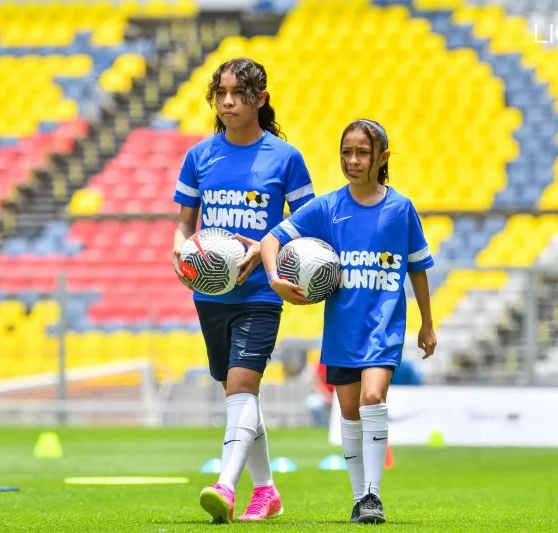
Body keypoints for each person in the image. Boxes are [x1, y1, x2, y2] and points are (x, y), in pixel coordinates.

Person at [260, 119, 437, 524]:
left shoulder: (400, 209)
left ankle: (373, 495)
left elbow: (418, 268)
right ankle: (360, 499)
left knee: (373, 398)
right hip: (341, 331)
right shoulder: (327, 207)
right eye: (346, 152)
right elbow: (272, 239)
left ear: (383, 158)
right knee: (349, 414)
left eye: (361, 152)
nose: (352, 160)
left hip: (383, 327)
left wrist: (427, 322)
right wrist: (276, 279)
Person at [171, 57, 315, 523]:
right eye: (221, 94)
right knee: (239, 397)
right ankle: (267, 491)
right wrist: (180, 254)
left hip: (260, 292)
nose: (227, 102)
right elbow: (184, 225)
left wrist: (268, 249)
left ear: (261, 99)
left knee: (240, 387)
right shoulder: (200, 156)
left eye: (237, 94)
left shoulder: (285, 158)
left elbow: (307, 223)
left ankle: (225, 487)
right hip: (210, 294)